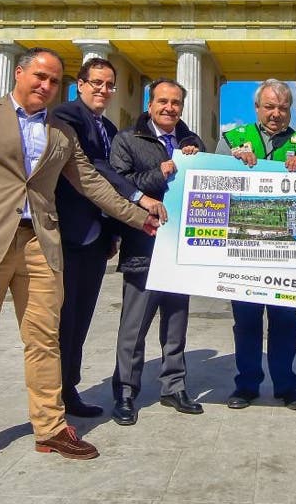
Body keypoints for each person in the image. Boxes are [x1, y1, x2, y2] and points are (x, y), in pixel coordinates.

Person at [0, 47, 162, 474]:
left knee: (44, 339)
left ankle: (50, 427)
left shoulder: (60, 133)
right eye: (39, 76)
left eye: (53, 81)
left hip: (40, 243)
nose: (46, 86)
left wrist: (138, 217)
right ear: (19, 73)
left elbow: (91, 183)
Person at [53, 57, 168, 418]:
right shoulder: (66, 117)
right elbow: (94, 168)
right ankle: (52, 395)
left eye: (110, 84)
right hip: (68, 234)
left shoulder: (104, 124)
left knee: (80, 318)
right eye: (97, 83)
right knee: (62, 319)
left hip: (94, 235)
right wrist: (138, 198)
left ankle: (68, 388)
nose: (103, 90)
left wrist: (113, 231)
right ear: (80, 84)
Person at [215, 79, 296, 410]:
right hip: (244, 251)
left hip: (288, 253)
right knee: (246, 322)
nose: (276, 114)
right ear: (257, 108)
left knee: (286, 322)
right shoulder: (232, 140)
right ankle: (246, 385)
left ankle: (287, 386)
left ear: (291, 109)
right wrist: (232, 163)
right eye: (269, 107)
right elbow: (212, 183)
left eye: (283, 107)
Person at [107, 78, 206, 425]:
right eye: (162, 101)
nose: (169, 108)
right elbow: (117, 186)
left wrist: (198, 155)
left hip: (182, 248)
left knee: (176, 322)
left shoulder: (190, 143)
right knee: (134, 326)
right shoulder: (126, 140)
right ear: (149, 105)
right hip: (144, 247)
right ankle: (125, 391)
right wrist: (157, 174)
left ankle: (174, 386)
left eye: (175, 103)